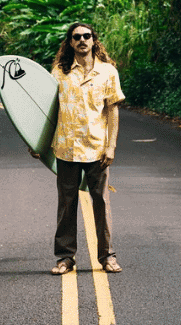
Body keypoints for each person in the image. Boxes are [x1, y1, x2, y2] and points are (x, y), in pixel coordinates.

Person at [34, 22, 125, 275]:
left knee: (101, 204)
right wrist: (38, 143)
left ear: (94, 40)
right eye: (77, 37)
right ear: (70, 42)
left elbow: (112, 110)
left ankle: (107, 257)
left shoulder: (108, 72)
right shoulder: (58, 73)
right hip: (67, 148)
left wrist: (111, 146)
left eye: (87, 36)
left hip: (97, 149)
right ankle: (65, 258)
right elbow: (48, 113)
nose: (82, 40)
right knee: (66, 205)